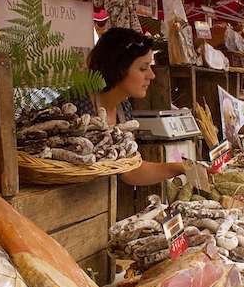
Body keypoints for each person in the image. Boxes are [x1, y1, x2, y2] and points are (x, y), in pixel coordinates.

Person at [78, 27, 186, 186]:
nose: (152, 75)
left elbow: (130, 172)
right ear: (118, 68)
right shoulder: (78, 107)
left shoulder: (123, 108)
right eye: (143, 68)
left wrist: (182, 168)